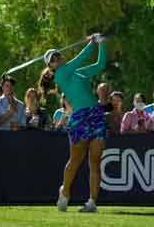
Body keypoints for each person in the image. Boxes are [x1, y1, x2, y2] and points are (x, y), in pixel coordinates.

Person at [46, 33, 107, 213]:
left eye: (57, 55)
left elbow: (99, 65)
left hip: (95, 113)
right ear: (51, 66)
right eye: (53, 59)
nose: (57, 58)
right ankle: (64, 192)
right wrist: (91, 43)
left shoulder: (78, 73)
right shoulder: (60, 74)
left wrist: (101, 44)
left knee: (95, 160)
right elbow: (79, 59)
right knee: (75, 159)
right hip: (79, 117)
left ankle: (92, 202)